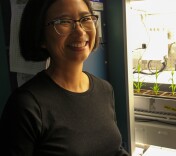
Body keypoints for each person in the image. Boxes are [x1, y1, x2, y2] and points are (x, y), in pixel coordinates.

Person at [0, 0, 129, 155]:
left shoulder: (104, 89)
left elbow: (114, 150)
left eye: (86, 19)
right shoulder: (27, 106)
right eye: (63, 21)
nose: (80, 32)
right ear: (41, 37)